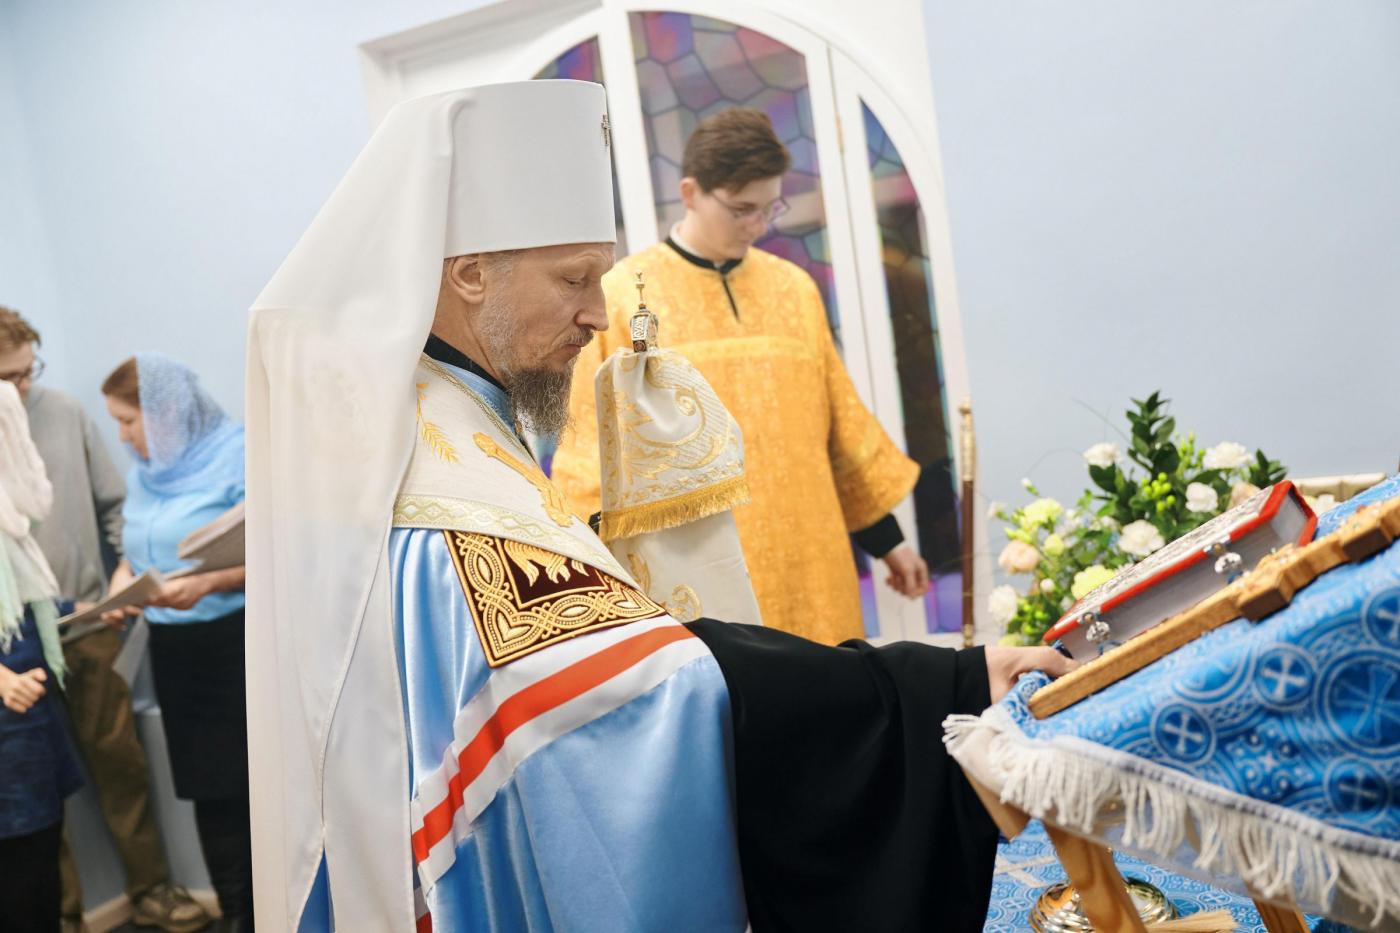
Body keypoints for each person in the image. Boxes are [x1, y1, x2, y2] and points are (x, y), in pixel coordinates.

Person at [245, 80, 1074, 932]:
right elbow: (630, 698)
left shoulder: (458, 416)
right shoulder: (446, 495)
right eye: (572, 278)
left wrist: (892, 558)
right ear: (469, 275)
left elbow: (835, 413)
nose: (593, 314)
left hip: (802, 549)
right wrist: (929, 685)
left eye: (597, 277)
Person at [552, 107, 930, 646]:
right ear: (690, 192)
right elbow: (590, 450)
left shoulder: (794, 288)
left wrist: (891, 543)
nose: (757, 225)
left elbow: (840, 430)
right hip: (702, 580)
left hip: (814, 565)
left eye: (768, 208)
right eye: (740, 209)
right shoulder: (620, 295)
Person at [0, 307, 211, 933]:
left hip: (87, 624)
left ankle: (151, 890)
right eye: (7, 379)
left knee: (120, 764)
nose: (21, 388)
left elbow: (114, 508)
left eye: (26, 372)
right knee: (30, 794)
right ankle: (61, 913)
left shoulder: (63, 413)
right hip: (14, 643)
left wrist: (117, 590)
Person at [99, 355, 248, 932]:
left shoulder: (238, 452)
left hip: (233, 642)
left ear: (166, 414)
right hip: (174, 650)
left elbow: (277, 543)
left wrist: (209, 582)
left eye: (128, 421)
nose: (122, 436)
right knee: (208, 790)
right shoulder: (146, 468)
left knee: (253, 783)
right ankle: (236, 915)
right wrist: (121, 580)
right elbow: (137, 539)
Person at [0, 379, 84, 933]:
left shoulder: (12, 532)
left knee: (39, 862)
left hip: (31, 716)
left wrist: (92, 610)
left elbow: (29, 605)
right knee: (19, 876)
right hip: (9, 716)